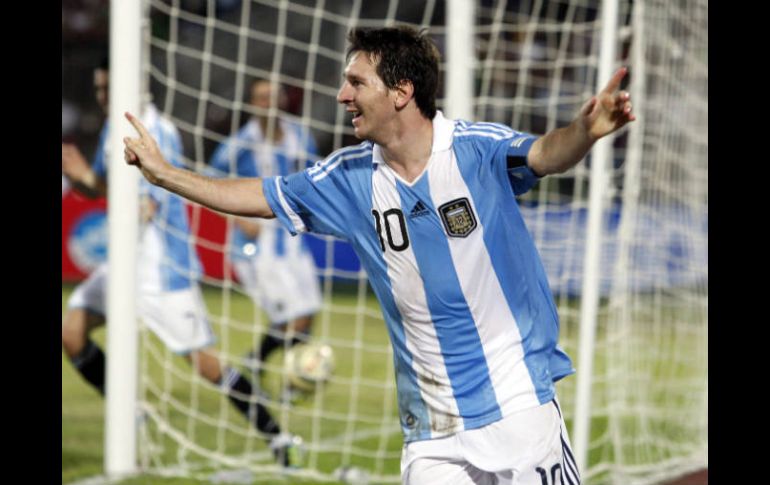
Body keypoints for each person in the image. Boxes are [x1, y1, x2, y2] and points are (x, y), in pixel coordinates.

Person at [123, 26, 635, 485]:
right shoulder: (347, 178)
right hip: (433, 433)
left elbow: (546, 153)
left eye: (357, 82)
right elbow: (258, 195)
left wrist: (586, 131)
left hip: (519, 407)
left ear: (401, 92)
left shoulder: (474, 150)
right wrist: (165, 175)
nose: (343, 95)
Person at [61, 58, 302, 467]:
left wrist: (108, 192)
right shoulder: (111, 126)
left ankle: (276, 437)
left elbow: (147, 203)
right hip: (123, 263)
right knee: (73, 332)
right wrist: (84, 177)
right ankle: (128, 411)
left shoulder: (157, 132)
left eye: (109, 89)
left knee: (208, 366)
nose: (103, 97)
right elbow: (105, 188)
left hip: (160, 270)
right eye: (99, 90)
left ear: (135, 87)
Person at [206, 79, 322, 392]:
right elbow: (208, 184)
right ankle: (291, 382)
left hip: (292, 244)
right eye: (260, 97)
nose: (267, 102)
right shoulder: (239, 144)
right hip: (255, 248)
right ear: (251, 103)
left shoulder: (301, 136)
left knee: (308, 313)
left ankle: (261, 364)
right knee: (293, 318)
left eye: (272, 96)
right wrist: (237, 216)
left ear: (283, 99)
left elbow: (313, 177)